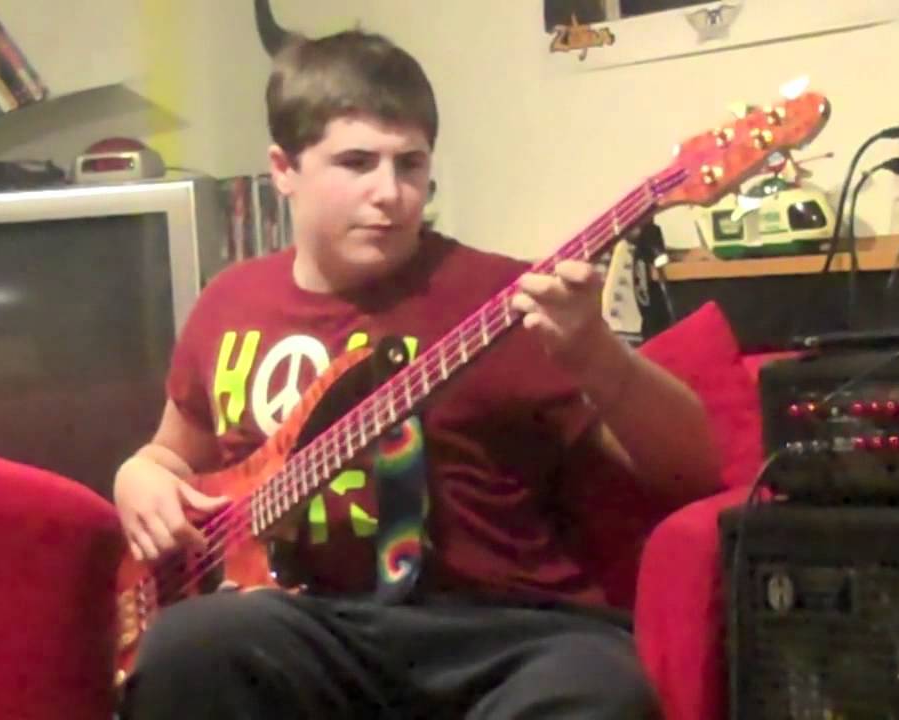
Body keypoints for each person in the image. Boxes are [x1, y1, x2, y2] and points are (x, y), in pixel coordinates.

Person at [113, 28, 720, 720]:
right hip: (309, 628)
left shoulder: (509, 298)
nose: (391, 193)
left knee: (600, 689)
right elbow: (169, 454)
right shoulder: (230, 302)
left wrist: (597, 354)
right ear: (283, 169)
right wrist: (137, 475)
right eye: (356, 162)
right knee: (190, 646)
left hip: (500, 628)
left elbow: (692, 474)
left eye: (410, 164)